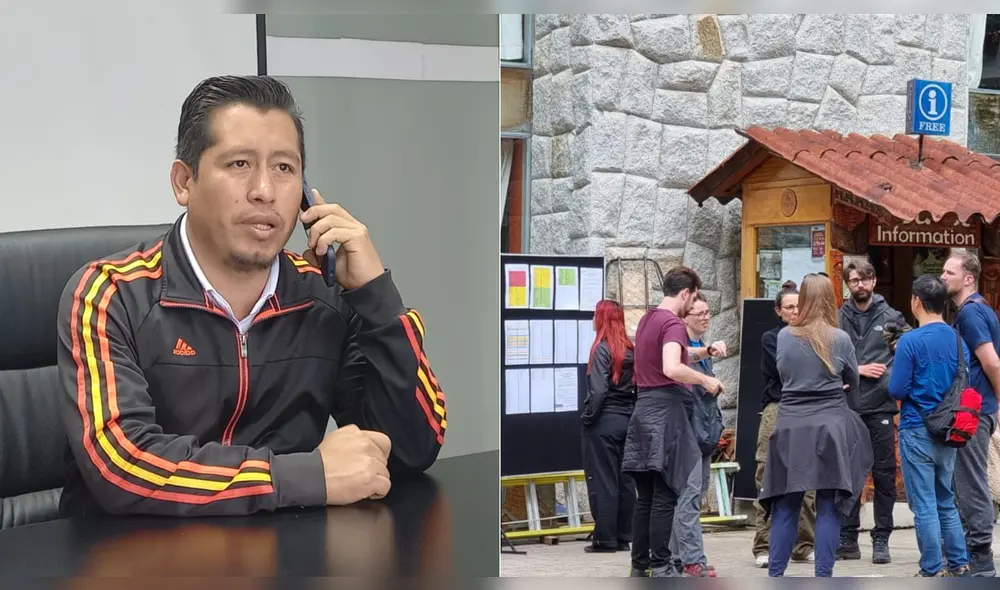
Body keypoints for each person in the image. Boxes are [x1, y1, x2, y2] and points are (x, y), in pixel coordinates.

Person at [55, 75, 447, 517]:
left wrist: (377, 299)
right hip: (130, 561)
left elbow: (412, 448)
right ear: (184, 182)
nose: (264, 190)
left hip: (284, 558)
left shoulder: (324, 296)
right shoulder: (111, 293)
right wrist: (305, 476)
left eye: (284, 168)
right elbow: (123, 467)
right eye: (239, 164)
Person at [759, 274, 873, 577]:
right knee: (829, 504)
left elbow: (784, 377)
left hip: (791, 424)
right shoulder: (840, 338)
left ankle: (775, 574)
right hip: (831, 424)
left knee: (786, 503)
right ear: (831, 298)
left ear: (805, 299)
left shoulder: (785, 336)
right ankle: (824, 576)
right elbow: (853, 380)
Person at [622, 266, 724, 577]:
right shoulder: (673, 323)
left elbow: (671, 357)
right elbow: (671, 367)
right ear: (684, 293)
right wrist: (705, 381)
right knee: (665, 497)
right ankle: (663, 567)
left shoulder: (647, 320)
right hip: (667, 417)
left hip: (643, 413)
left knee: (646, 500)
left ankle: (639, 568)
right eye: (692, 298)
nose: (692, 305)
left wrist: (704, 351)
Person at [888, 275, 971, 577]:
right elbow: (965, 382)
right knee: (945, 500)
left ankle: (931, 569)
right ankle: (959, 563)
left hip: (916, 427)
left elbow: (897, 389)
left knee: (924, 505)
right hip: (949, 429)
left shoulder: (910, 341)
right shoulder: (957, 339)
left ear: (916, 302)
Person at [836, 260, 906, 564]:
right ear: (847, 284)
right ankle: (848, 539)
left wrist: (894, 382)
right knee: (849, 474)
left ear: (874, 281)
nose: (859, 285)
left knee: (884, 474)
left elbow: (906, 353)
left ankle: (881, 539)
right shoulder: (839, 317)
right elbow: (827, 357)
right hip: (848, 406)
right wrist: (858, 369)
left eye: (864, 280)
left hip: (880, 405)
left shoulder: (892, 318)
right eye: (853, 281)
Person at [941, 251, 999, 577]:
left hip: (973, 412)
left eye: (950, 272)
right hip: (978, 409)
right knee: (965, 482)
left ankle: (981, 560)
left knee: (970, 484)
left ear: (968, 278)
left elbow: (991, 361)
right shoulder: (977, 310)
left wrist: (996, 403)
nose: (943, 277)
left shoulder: (970, 314)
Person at [752, 280, 816, 569]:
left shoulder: (815, 336)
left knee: (808, 480)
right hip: (777, 409)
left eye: (798, 307)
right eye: (788, 307)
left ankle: (804, 545)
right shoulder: (771, 338)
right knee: (768, 476)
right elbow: (783, 372)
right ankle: (763, 545)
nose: (794, 312)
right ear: (778, 311)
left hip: (807, 409)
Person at [666, 292, 727, 577]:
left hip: (703, 432)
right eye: (699, 313)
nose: (705, 318)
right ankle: (693, 561)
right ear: (684, 316)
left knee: (694, 495)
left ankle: (677, 558)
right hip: (686, 431)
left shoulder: (702, 346)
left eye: (707, 313)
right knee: (688, 497)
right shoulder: (679, 348)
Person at [581, 299, 637, 554]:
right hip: (628, 420)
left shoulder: (601, 350)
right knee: (625, 481)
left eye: (596, 315)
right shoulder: (630, 350)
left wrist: (588, 416)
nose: (593, 319)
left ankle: (605, 540)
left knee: (603, 480)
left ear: (600, 319)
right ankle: (625, 535)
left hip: (604, 422)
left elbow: (599, 390)